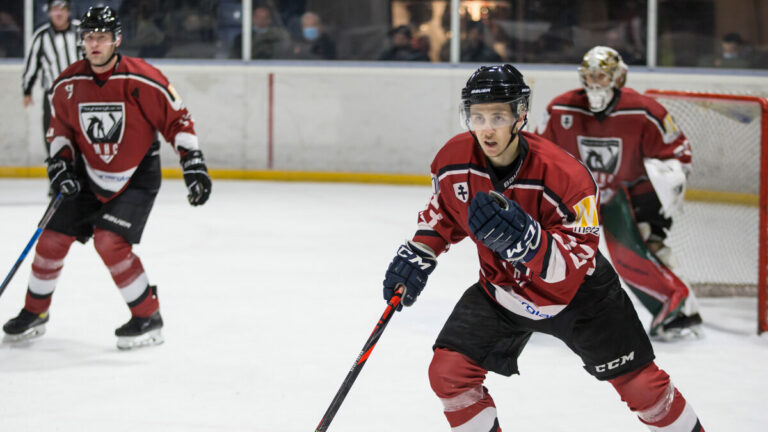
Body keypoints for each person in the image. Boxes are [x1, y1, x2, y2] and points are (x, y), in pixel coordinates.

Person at [381, 64, 705, 431]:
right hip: (501, 293)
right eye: (477, 116)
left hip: (581, 298)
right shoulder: (453, 160)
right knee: (449, 373)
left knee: (644, 389)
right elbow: (443, 212)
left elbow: (579, 259)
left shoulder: (567, 175)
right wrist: (420, 253)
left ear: (520, 115)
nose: (486, 127)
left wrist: (528, 243)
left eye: (498, 116)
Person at [2, 6, 212, 350]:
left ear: (117, 39)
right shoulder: (68, 83)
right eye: (88, 37)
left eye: (101, 37)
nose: (94, 43)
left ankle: (148, 317)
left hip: (136, 176)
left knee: (108, 241)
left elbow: (177, 120)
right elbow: (61, 131)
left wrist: (193, 163)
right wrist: (61, 165)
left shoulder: (143, 78)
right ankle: (35, 312)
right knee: (51, 238)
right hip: (87, 173)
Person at [538, 46, 702, 339]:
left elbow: (678, 152)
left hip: (627, 198)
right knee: (562, 250)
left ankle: (679, 313)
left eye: (601, 76)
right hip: (583, 199)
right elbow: (539, 154)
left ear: (618, 77)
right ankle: (544, 306)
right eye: (589, 76)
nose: (594, 83)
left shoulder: (645, 111)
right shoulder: (561, 109)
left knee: (640, 251)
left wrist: (668, 182)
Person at [21, 0, 81, 161]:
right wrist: (27, 91)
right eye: (55, 9)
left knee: (81, 136)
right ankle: (56, 177)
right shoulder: (41, 36)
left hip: (81, 94)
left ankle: (81, 178)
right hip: (53, 97)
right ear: (49, 12)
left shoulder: (81, 30)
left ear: (68, 11)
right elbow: (31, 65)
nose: (59, 13)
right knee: (53, 136)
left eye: (62, 9)